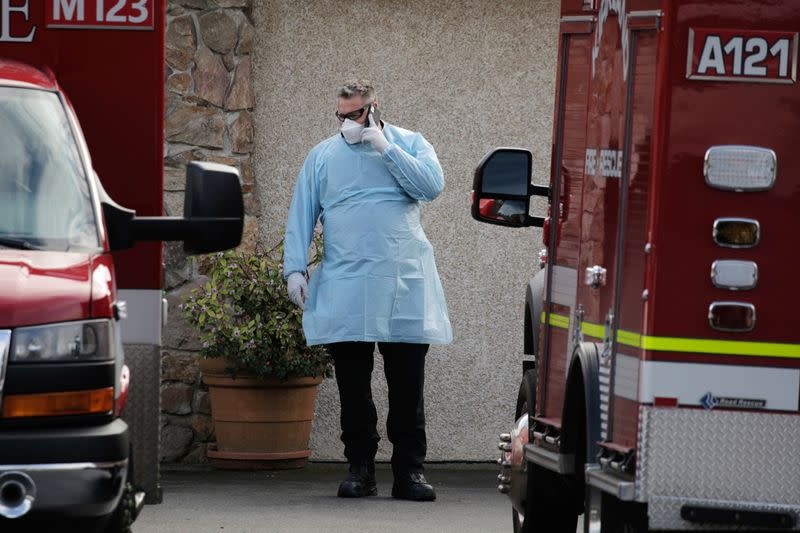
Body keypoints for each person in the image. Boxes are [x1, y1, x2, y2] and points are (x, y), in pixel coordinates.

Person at [284, 81, 452, 502]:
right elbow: (301, 210)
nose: (347, 123)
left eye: (355, 114)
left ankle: (409, 472)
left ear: (375, 109)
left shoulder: (409, 143)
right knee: (353, 385)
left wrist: (384, 147)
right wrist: (294, 269)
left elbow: (431, 186)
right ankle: (360, 469)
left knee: (407, 385)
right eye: (341, 115)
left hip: (403, 283)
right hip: (347, 283)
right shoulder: (322, 156)